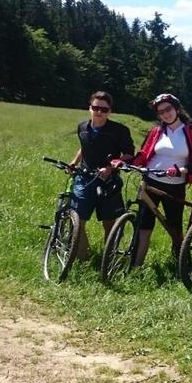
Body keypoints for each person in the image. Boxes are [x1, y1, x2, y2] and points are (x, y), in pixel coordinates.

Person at [129, 93, 192, 267]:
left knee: (174, 227)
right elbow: (143, 154)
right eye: (160, 111)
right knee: (144, 226)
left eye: (168, 109)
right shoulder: (156, 132)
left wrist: (182, 171)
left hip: (175, 185)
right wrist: (126, 163)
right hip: (151, 182)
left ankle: (180, 264)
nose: (165, 114)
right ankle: (135, 266)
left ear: (177, 109)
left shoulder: (191, 132)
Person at [68, 91, 134, 261]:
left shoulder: (119, 131)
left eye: (103, 109)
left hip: (108, 182)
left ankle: (108, 261)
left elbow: (128, 154)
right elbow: (84, 147)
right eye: (95, 107)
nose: (99, 112)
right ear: (89, 108)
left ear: (110, 111)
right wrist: (74, 162)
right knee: (77, 222)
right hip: (84, 179)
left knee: (109, 223)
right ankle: (84, 259)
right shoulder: (82, 127)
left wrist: (110, 168)